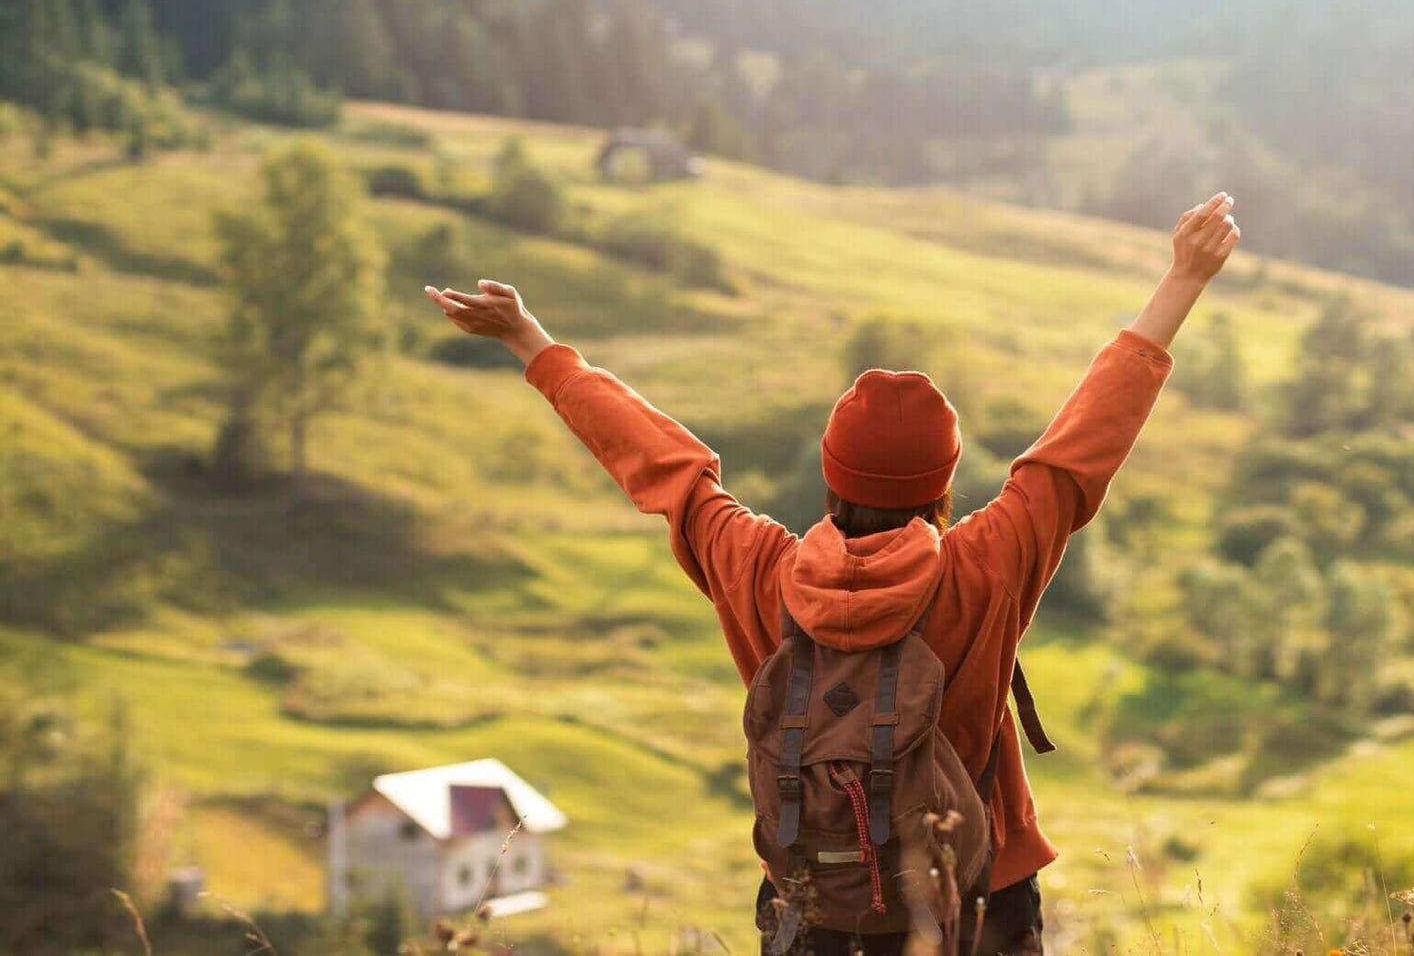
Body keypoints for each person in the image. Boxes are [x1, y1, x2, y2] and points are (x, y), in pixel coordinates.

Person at [424, 192, 1240, 954]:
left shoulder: (758, 565)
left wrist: (531, 342)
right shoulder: (986, 563)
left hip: (812, 902)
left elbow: (664, 466)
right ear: (943, 485)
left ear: (831, 476)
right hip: (974, 896)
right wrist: (1183, 278)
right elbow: (1077, 447)